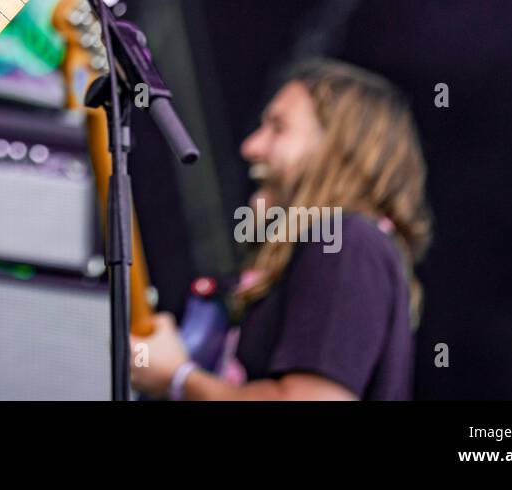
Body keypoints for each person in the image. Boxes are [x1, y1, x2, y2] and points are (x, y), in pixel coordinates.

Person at [131, 58, 431, 400]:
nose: (251, 147)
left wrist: (179, 379)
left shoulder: (348, 242)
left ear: (338, 147)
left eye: (278, 127)